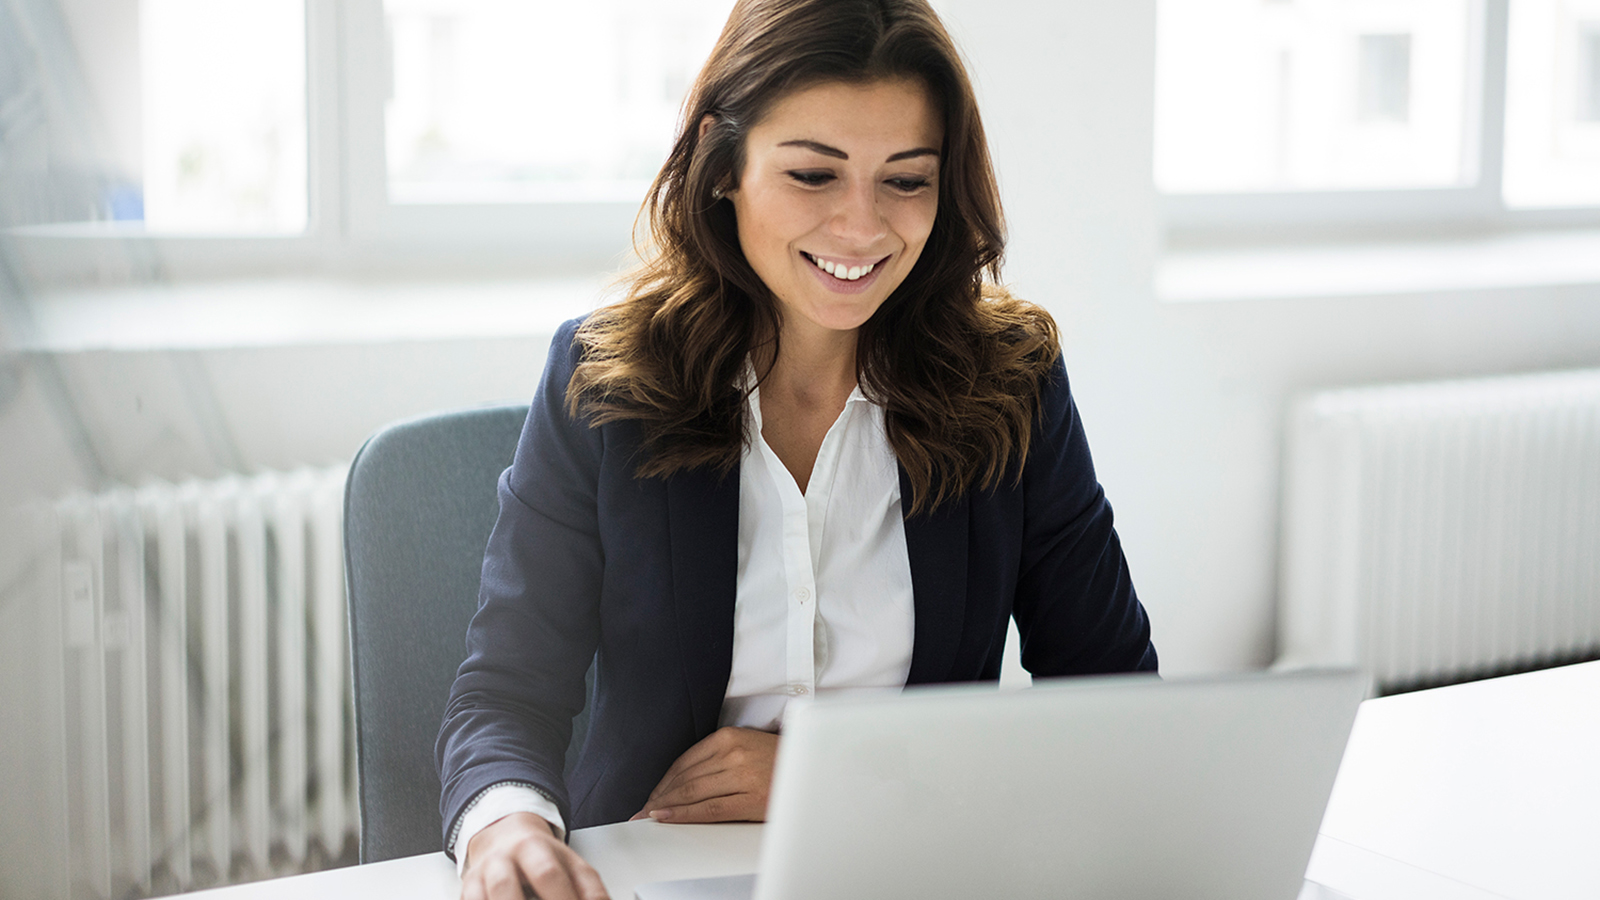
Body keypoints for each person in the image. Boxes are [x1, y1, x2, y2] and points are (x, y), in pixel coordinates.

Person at [437, 1, 1158, 897]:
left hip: (921, 866)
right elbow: (504, 693)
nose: (862, 228)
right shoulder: (606, 380)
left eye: (906, 180)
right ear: (722, 163)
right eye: (814, 174)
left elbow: (1116, 705)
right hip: (657, 869)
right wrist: (505, 828)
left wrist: (839, 778)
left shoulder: (1013, 383)